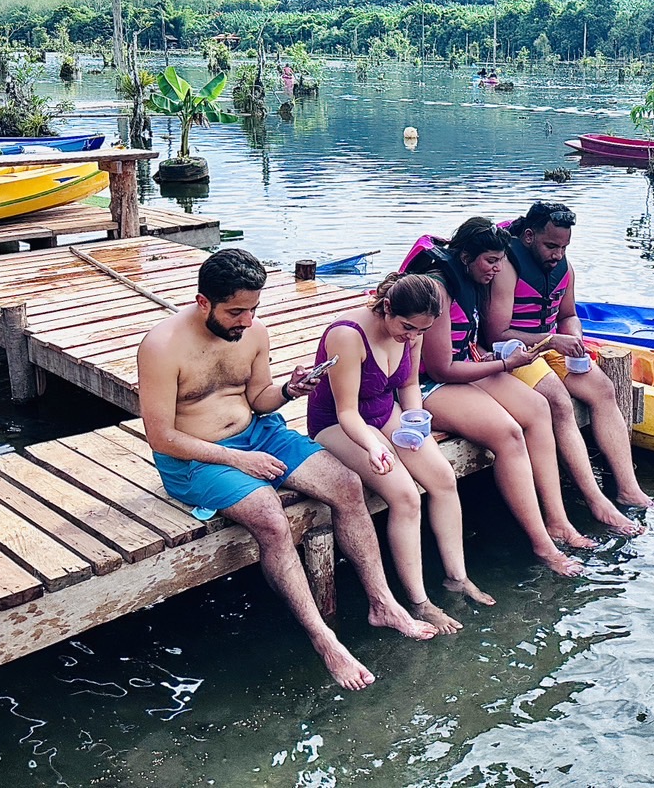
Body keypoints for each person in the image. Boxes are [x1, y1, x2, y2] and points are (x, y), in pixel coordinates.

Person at [137, 249, 435, 692]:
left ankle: (383, 604)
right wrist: (238, 460)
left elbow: (257, 398)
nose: (246, 320)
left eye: (253, 308)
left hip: (259, 432)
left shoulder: (253, 332)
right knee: (272, 518)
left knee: (347, 484)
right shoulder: (161, 347)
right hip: (196, 457)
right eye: (236, 311)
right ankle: (324, 639)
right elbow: (161, 437)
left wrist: (289, 390)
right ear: (204, 303)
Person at [307, 272, 495, 634]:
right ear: (388, 308)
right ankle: (418, 601)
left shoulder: (414, 330)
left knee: (442, 478)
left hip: (384, 411)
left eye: (421, 332)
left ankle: (457, 576)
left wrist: (414, 423)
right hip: (338, 423)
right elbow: (346, 412)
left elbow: (408, 384)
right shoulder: (347, 335)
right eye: (407, 328)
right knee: (407, 496)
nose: (412, 338)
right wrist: (375, 443)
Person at [409, 219, 595, 566]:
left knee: (539, 408)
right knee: (508, 433)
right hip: (426, 385)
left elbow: (471, 344)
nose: (498, 269)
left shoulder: (474, 279)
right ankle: (542, 544)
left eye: (500, 261)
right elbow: (441, 369)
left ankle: (558, 522)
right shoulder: (438, 288)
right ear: (465, 257)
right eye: (490, 261)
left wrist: (501, 357)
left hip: (467, 367)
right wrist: (505, 365)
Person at [488, 203, 653, 523]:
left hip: (552, 346)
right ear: (528, 236)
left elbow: (568, 316)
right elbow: (497, 332)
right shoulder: (507, 268)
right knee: (559, 401)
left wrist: (573, 339)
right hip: (513, 351)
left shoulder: (565, 267)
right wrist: (552, 341)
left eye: (564, 247)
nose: (558, 254)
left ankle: (628, 489)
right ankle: (595, 499)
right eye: (551, 246)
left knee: (604, 389)